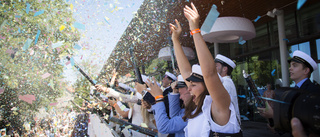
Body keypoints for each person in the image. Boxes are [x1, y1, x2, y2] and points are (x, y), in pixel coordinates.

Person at [170, 3, 241, 136]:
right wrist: (175, 40)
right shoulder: (199, 108)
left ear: (208, 86)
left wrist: (195, 29)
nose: (188, 89)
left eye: (194, 85)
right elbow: (185, 71)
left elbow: (210, 74)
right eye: (189, 84)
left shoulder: (219, 107)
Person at [215, 54, 241, 124]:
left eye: (216, 66)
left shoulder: (225, 83)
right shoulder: (226, 82)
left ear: (224, 69)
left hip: (228, 125)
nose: (214, 68)